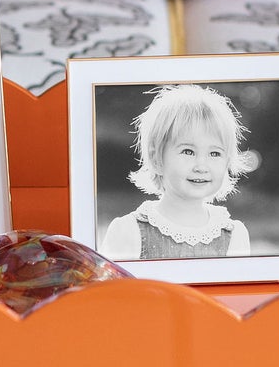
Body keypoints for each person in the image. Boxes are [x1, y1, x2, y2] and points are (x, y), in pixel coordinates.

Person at [100, 83, 259, 260]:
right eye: (188, 151)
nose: (201, 166)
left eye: (215, 153)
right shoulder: (129, 232)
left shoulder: (234, 236)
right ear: (157, 159)